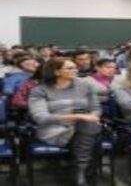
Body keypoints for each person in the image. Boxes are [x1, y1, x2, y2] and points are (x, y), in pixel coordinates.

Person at [29, 57, 101, 186]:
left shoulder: (85, 85)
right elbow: (40, 117)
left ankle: (79, 175)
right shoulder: (39, 91)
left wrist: (90, 117)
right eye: (70, 68)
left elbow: (95, 109)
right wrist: (76, 117)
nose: (76, 70)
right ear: (56, 72)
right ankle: (82, 174)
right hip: (54, 129)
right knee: (90, 134)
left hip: (84, 126)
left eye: (75, 67)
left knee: (87, 127)